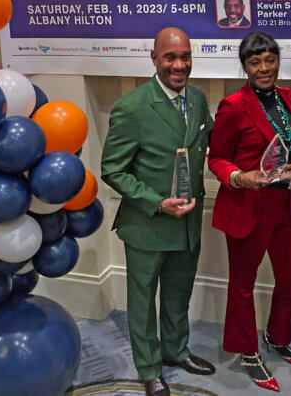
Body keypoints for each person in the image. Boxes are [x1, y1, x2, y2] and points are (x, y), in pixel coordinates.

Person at [101, 27, 215, 396]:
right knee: (143, 301)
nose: (178, 65)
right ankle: (149, 368)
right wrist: (156, 202)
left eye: (185, 56)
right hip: (148, 225)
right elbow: (113, 170)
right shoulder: (131, 106)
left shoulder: (198, 99)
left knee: (178, 293)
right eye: (170, 57)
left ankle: (176, 350)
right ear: (154, 59)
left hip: (188, 224)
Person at [208, 31, 291, 392]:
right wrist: (238, 177)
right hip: (248, 205)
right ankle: (247, 351)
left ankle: (276, 337)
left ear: (278, 61)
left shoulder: (289, 97)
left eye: (270, 59)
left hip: (285, 203)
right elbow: (215, 158)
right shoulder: (233, 105)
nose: (264, 68)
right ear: (245, 66)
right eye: (255, 62)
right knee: (243, 285)